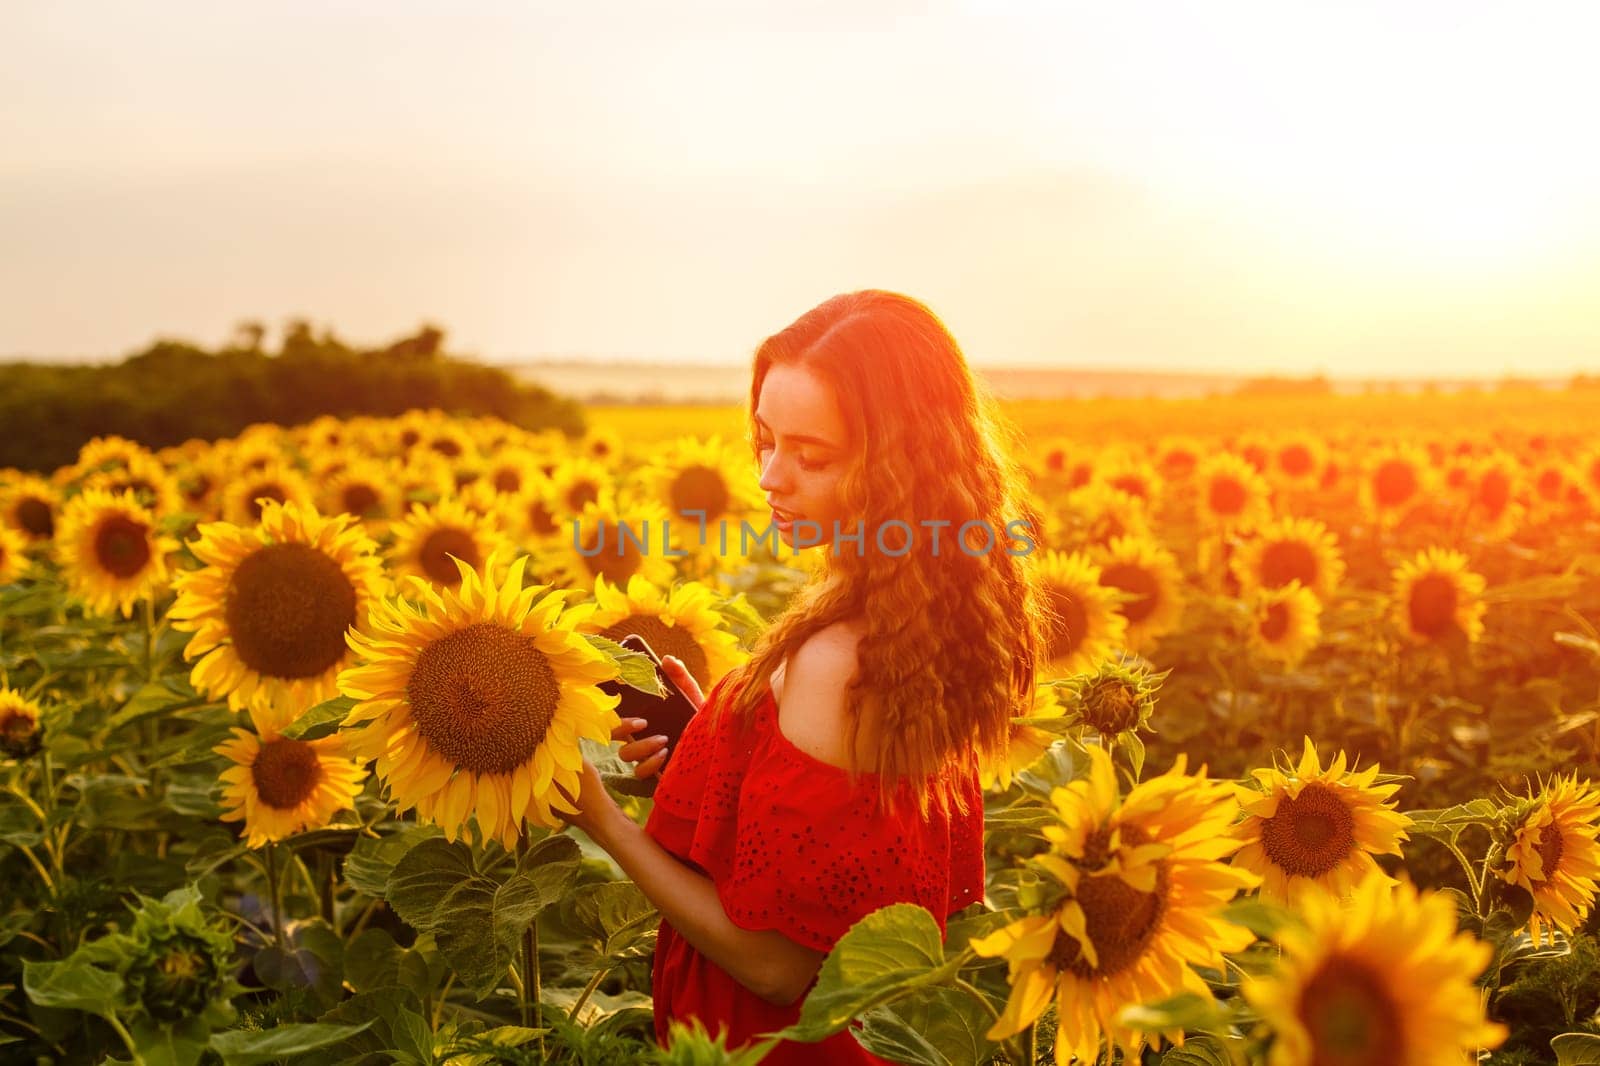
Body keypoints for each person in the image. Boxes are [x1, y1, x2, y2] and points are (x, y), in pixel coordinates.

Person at [559, 290, 1047, 1063]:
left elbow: (777, 965)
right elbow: (845, 865)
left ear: (899, 468)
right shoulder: (918, 628)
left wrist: (602, 821)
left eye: (811, 456)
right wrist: (715, 756)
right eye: (765, 441)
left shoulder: (839, 663)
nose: (770, 478)